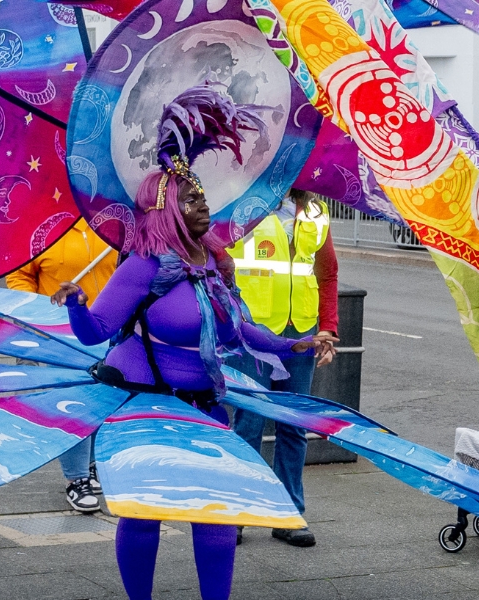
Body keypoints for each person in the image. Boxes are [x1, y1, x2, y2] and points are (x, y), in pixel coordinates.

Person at [55, 84, 326, 600]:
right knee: (145, 514)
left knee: (215, 510)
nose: (204, 204)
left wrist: (294, 345)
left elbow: (240, 328)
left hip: (205, 405)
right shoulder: (143, 267)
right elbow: (96, 331)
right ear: (166, 209)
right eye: (192, 198)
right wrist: (74, 303)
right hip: (142, 403)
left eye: (203, 195)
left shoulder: (214, 266)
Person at [227, 188, 340, 547]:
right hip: (254, 331)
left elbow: (328, 274)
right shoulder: (244, 201)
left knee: (293, 425)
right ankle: (239, 514)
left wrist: (328, 327)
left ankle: (288, 513)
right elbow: (218, 265)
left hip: (302, 333)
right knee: (249, 423)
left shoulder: (317, 210)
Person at [4, 219, 117, 512]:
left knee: (103, 399)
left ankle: (91, 465)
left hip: (106, 328)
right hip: (60, 333)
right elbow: (18, 277)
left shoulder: (109, 225)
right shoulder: (44, 228)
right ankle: (76, 479)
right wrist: (36, 310)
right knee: (73, 400)